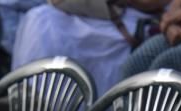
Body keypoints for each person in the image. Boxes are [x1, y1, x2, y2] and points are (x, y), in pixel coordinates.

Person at [11, 1, 170, 96]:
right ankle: (35, 96)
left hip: (129, 16)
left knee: (105, 43)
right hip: (88, 11)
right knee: (41, 18)